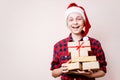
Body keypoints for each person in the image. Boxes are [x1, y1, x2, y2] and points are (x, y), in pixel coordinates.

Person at [50, 3, 107, 80]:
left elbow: (103, 70)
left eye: (79, 19)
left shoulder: (95, 43)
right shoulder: (58, 45)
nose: (75, 22)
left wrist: (90, 75)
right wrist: (62, 69)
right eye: (71, 20)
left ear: (84, 22)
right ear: (67, 23)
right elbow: (54, 73)